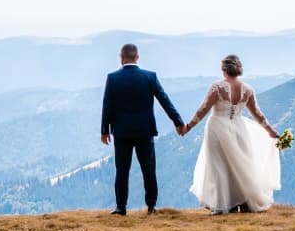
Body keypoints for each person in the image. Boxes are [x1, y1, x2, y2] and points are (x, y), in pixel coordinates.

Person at [182, 54, 280, 213]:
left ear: (224, 69)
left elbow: (203, 109)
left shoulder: (217, 87)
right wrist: (270, 130)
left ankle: (225, 204)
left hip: (217, 128)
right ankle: (244, 201)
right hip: (239, 128)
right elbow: (257, 114)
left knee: (219, 166)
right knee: (241, 164)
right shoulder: (247, 89)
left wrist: (188, 127)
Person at [100, 43, 185, 215]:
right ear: (137, 57)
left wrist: (104, 130)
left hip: (122, 132)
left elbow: (107, 105)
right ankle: (152, 206)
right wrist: (178, 121)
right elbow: (164, 101)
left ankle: (121, 207)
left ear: (121, 58)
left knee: (122, 169)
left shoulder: (113, 78)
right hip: (144, 131)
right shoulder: (149, 77)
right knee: (148, 169)